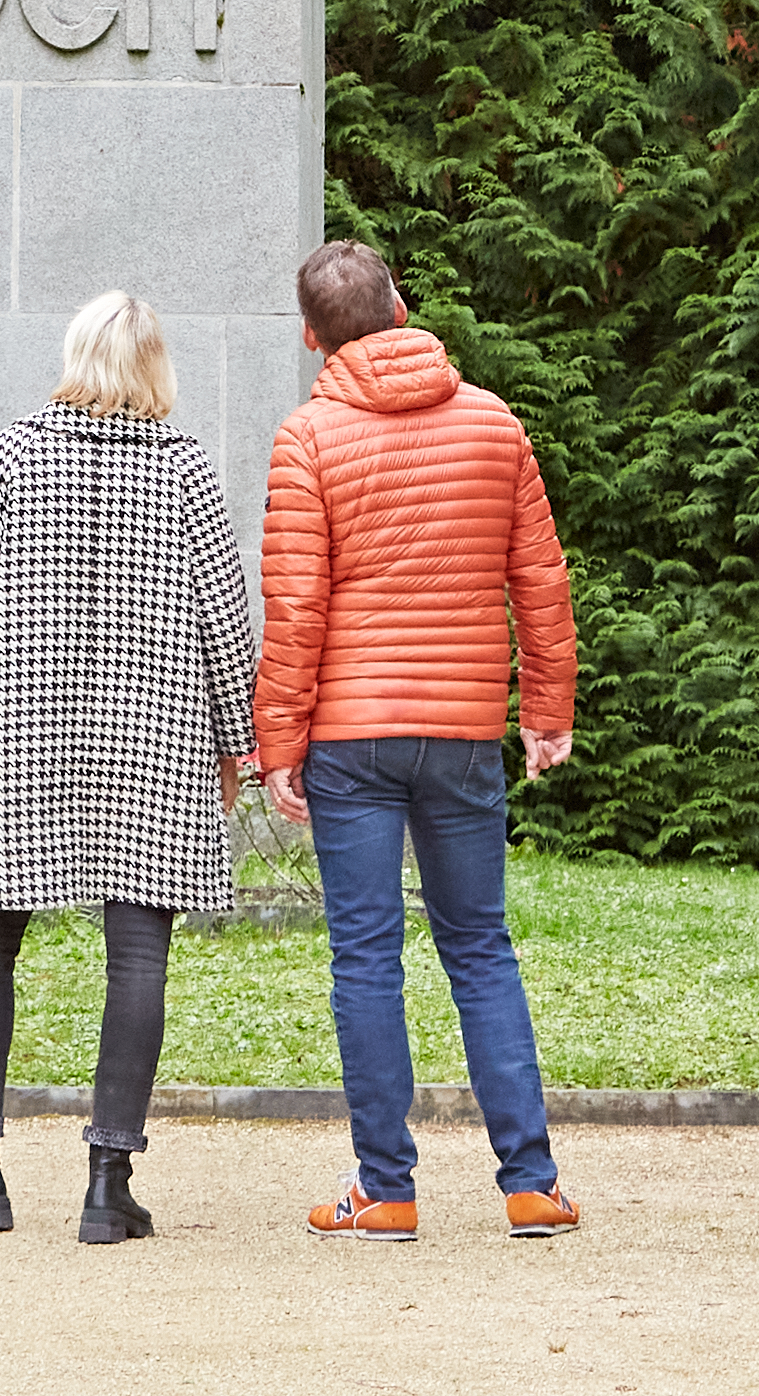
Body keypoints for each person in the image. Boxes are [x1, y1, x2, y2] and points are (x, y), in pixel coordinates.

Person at [0, 290, 263, 1244]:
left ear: (75, 353)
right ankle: (108, 1183)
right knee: (137, 948)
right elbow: (225, 615)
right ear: (153, 364)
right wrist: (236, 741)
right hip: (156, 738)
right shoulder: (183, 465)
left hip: (26, 730)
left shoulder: (13, 454)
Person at [254, 240, 580, 1239]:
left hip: (352, 735)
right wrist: (547, 708)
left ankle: (384, 1187)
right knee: (478, 944)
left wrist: (279, 737)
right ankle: (529, 1180)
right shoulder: (491, 421)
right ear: (400, 305)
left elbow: (296, 604)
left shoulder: (305, 435)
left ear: (311, 334)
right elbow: (540, 577)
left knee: (365, 956)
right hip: (464, 724)